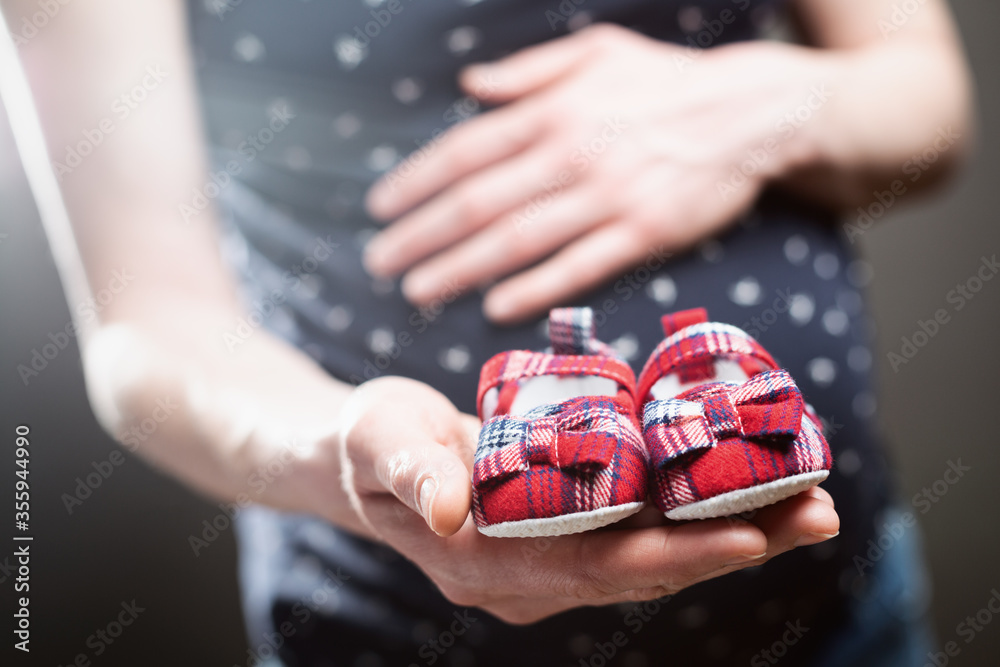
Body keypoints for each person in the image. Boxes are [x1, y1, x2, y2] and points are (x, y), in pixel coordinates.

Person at [6, 0, 972, 664]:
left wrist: (768, 109)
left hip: (831, 623)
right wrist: (338, 454)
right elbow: (148, 321)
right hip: (379, 632)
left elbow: (928, 98)